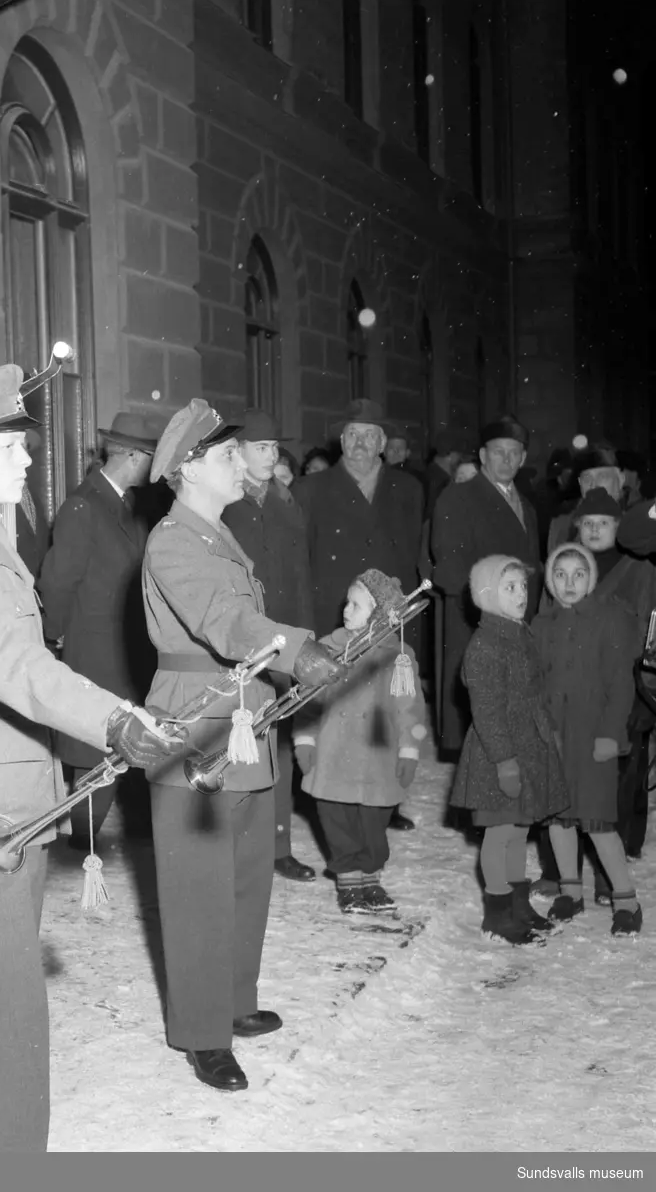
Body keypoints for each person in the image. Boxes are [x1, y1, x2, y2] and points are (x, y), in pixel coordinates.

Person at [0, 365, 180, 1152]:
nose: (28, 461)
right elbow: (8, 663)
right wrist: (111, 715)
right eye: (11, 446)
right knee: (5, 1014)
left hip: (6, 794)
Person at [140, 399, 341, 1094]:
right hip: (196, 723)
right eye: (227, 454)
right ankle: (202, 1030)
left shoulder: (217, 534)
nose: (244, 461)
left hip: (243, 717)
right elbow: (226, 620)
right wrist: (293, 646)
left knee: (248, 870)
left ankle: (234, 998)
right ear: (189, 468)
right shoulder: (173, 540)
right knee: (199, 882)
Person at [37, 410, 165, 849]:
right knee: (97, 751)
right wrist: (53, 636)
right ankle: (83, 842)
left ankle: (91, 836)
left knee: (119, 746)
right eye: (153, 458)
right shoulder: (83, 505)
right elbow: (56, 582)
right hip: (94, 651)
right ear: (133, 456)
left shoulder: (127, 504)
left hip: (124, 648)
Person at [294, 399, 423, 829]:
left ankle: (386, 797)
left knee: (387, 705)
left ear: (384, 443)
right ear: (340, 440)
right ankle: (334, 795)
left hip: (389, 620)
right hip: (338, 618)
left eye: (370, 435)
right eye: (352, 434)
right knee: (338, 709)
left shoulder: (408, 490)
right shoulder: (311, 490)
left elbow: (413, 555)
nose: (361, 443)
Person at [448, 556, 569, 945]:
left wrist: (547, 734)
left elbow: (533, 694)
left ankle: (519, 905)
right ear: (486, 595)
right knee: (500, 834)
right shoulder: (485, 645)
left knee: (519, 830)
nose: (520, 595)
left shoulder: (519, 633)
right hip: (497, 754)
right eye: (509, 587)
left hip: (528, 748)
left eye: (522, 587)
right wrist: (504, 761)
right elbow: (487, 711)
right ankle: (498, 913)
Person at [293, 570, 426, 915]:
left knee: (373, 823)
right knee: (337, 820)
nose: (346, 610)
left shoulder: (398, 656)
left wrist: (409, 749)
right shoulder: (327, 649)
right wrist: (305, 742)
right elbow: (308, 703)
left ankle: (371, 877)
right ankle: (349, 881)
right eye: (347, 602)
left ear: (380, 613)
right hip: (333, 756)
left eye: (356, 604)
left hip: (376, 760)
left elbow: (409, 706)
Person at [222, 410, 316, 882]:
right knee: (239, 742)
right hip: (238, 641)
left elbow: (301, 576)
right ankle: (238, 845)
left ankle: (278, 845)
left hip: (283, 640)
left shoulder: (284, 501)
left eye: (275, 448)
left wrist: (305, 637)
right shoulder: (223, 503)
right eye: (262, 448)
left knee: (275, 744)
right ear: (236, 453)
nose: (272, 456)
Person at [532, 542, 642, 935]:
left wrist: (611, 734)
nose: (569, 583)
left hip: (594, 736)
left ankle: (626, 899)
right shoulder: (541, 626)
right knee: (559, 819)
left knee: (597, 821)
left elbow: (620, 685)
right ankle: (570, 891)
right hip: (555, 736)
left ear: (591, 579)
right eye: (560, 575)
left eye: (579, 574)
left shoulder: (608, 619)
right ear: (550, 580)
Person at [430, 417, 541, 755]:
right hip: (476, 625)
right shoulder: (458, 498)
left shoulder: (528, 507)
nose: (506, 460)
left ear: (523, 459)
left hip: (517, 626)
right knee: (479, 727)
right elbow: (450, 570)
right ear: (482, 455)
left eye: (514, 453)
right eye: (497, 452)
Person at [569, 489, 656, 880]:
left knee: (624, 775)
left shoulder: (639, 566)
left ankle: (613, 868)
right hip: (579, 687)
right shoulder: (569, 564)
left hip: (627, 684)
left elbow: (645, 627)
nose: (594, 530)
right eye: (587, 523)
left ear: (618, 528)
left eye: (603, 523)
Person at [546, 446, 623, 554]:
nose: (594, 485)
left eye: (603, 477)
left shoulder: (633, 523)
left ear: (620, 480)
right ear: (579, 482)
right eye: (587, 478)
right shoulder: (563, 521)